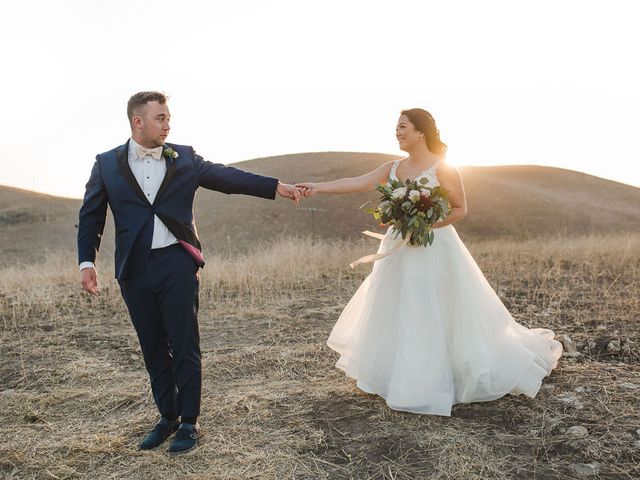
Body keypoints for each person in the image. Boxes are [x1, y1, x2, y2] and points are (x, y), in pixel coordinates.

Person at [296, 108, 562, 416]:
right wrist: (316, 187)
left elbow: (460, 209)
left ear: (421, 132)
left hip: (433, 246)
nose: (397, 132)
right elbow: (356, 181)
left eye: (402, 127)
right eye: (396, 128)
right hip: (397, 247)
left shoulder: (443, 168)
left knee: (435, 306)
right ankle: (401, 376)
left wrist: (422, 224)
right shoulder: (392, 168)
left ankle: (445, 373)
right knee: (397, 304)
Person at [77, 91, 302, 453]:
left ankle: (189, 422)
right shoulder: (106, 163)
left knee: (184, 344)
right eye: (161, 118)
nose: (168, 124)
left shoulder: (184, 156)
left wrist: (276, 187)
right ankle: (167, 416)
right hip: (133, 269)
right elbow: (91, 214)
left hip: (177, 263)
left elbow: (228, 178)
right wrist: (86, 261)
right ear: (138, 122)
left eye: (168, 117)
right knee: (152, 347)